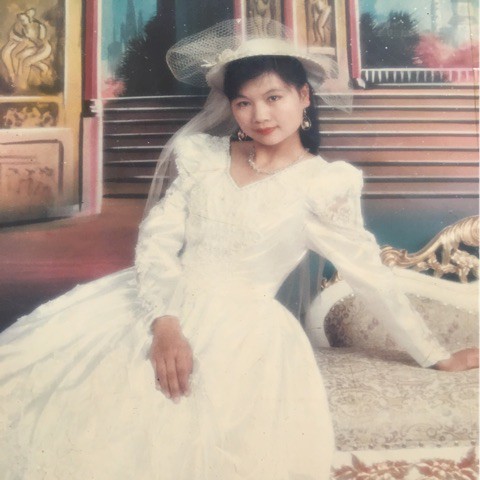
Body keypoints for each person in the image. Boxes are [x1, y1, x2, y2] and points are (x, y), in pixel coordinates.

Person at [0, 19, 477, 480]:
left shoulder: (322, 186)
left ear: (303, 96)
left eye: (274, 97)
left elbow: (371, 277)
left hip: (241, 334)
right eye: (244, 103)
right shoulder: (204, 158)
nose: (260, 116)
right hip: (155, 305)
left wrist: (433, 354)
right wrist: (165, 323)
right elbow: (157, 241)